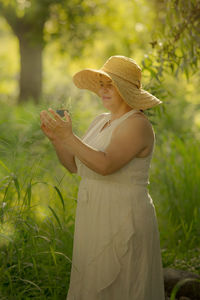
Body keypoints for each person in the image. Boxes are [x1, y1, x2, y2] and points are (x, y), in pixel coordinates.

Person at [40, 55, 165, 300]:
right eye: (101, 84)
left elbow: (105, 165)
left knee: (124, 284)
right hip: (95, 212)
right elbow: (75, 166)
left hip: (122, 215)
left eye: (110, 84)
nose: (103, 90)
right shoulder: (100, 121)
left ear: (127, 90)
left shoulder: (138, 125)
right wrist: (58, 140)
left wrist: (69, 138)